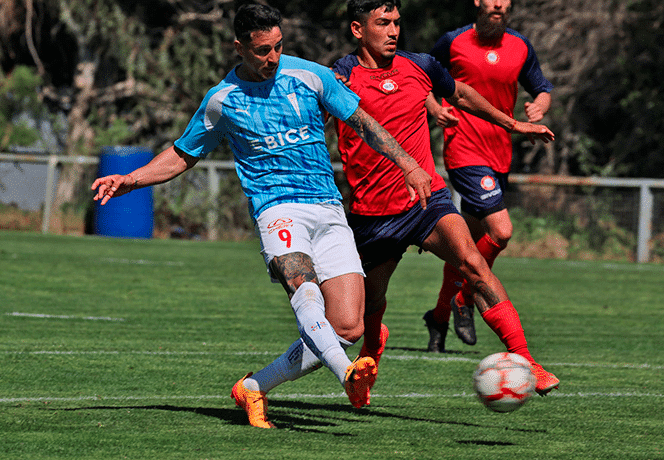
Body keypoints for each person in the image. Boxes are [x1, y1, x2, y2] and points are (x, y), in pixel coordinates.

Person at [92, 3, 433, 429]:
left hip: (327, 208)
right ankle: (345, 371)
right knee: (302, 287)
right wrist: (132, 180)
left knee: (347, 325)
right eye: (261, 51)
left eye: (277, 47)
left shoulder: (311, 76)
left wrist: (410, 165)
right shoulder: (222, 100)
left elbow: (364, 122)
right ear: (239, 47)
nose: (271, 58)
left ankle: (253, 388)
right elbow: (182, 154)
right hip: (277, 210)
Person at [332, 0, 559, 396]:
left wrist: (512, 123)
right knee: (371, 303)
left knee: (473, 263)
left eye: (397, 23)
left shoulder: (420, 64)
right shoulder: (339, 76)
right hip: (372, 213)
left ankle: (526, 358)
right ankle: (371, 353)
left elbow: (463, 94)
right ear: (357, 29)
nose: (392, 31)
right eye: (382, 23)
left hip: (426, 202)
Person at [424, 0, 553, 350]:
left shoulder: (520, 45)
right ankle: (465, 298)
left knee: (467, 244)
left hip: (500, 154)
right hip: (464, 148)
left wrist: (540, 104)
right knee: (502, 230)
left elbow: (541, 87)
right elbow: (422, 80)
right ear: (478, 1)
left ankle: (438, 316)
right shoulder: (453, 42)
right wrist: (435, 107)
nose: (498, 3)